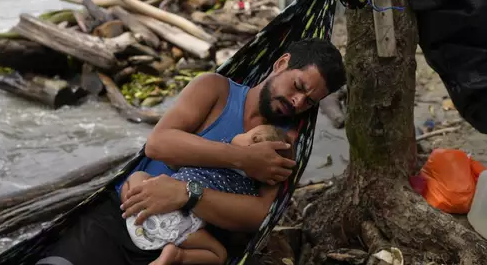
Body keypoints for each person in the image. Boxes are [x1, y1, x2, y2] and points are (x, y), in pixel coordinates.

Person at [33, 38, 346, 265]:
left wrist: (187, 193)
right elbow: (159, 143)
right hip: (121, 215)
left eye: (309, 101)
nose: (297, 102)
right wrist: (242, 158)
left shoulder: (284, 141)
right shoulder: (216, 90)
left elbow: (258, 216)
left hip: (184, 243)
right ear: (281, 64)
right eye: (298, 86)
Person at [121, 124, 292, 265]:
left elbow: (173, 163)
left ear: (254, 139)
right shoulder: (248, 190)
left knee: (137, 177)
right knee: (218, 254)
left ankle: (131, 205)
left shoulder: (215, 152)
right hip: (185, 228)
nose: (240, 133)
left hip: (151, 203)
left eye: (246, 133)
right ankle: (176, 256)